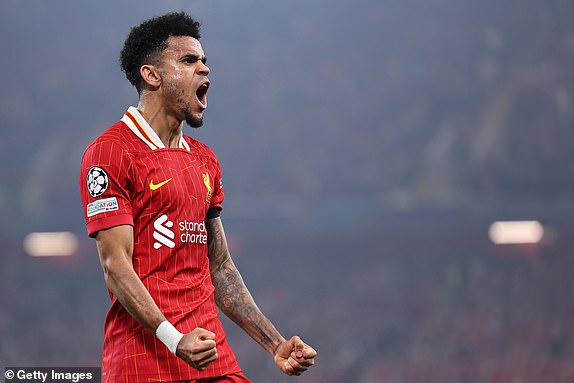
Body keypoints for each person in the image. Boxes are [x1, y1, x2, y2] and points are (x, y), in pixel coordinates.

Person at [79, 11, 316, 383]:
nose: (204, 70)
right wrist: (175, 340)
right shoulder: (110, 153)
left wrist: (275, 344)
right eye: (189, 60)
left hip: (212, 360)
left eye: (205, 61)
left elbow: (219, 266)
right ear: (151, 75)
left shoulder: (205, 160)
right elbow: (115, 266)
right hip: (144, 364)